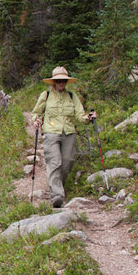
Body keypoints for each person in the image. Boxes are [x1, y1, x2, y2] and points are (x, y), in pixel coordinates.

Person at [31, 66, 97, 208]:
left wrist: (89, 118)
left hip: (69, 132)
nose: (61, 83)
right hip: (51, 132)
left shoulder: (72, 97)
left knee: (67, 162)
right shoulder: (46, 95)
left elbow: (80, 116)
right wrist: (36, 120)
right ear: (53, 82)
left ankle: (59, 187)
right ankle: (57, 195)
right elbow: (36, 112)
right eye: (58, 80)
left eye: (63, 81)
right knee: (55, 161)